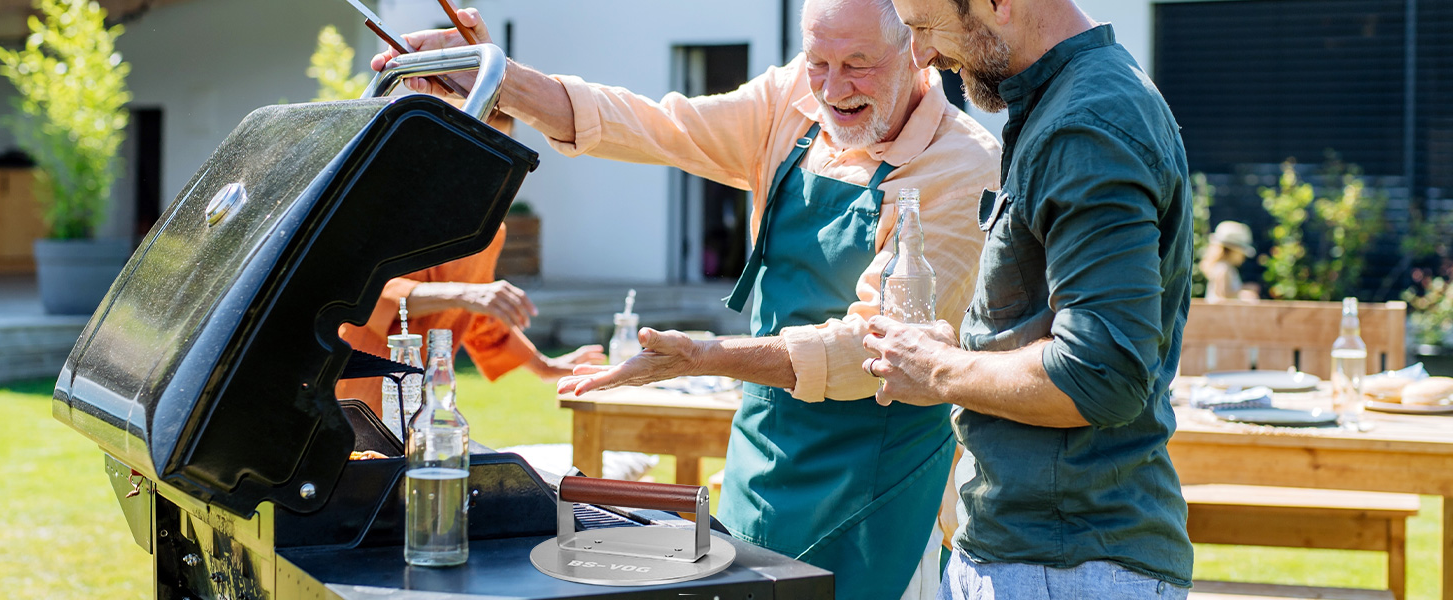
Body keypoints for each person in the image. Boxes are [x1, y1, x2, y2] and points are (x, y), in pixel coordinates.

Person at [373, 1, 1000, 597]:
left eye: (857, 65)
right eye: (818, 63)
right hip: (764, 447)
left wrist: (705, 356)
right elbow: (657, 125)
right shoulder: (792, 100)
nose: (832, 90)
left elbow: (872, 347)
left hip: (877, 477)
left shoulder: (963, 165)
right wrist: (502, 79)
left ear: (919, 46)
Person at [863, 0, 1195, 597]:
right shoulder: (1067, 101)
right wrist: (958, 354)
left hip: (1064, 566)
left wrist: (939, 369)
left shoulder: (1086, 124)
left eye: (923, 25)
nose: (921, 56)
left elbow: (1098, 375)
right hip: (1045, 558)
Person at [337, 114, 606, 411]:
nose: (490, 161)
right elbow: (367, 293)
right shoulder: (395, 204)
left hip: (427, 399)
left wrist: (544, 366)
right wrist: (466, 294)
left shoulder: (489, 230)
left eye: (501, 148)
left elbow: (478, 315)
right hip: (358, 389)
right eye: (480, 144)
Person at [1201, 220, 1260, 302]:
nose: (1243, 256)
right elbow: (1222, 296)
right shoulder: (1223, 269)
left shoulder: (1226, 268)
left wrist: (1244, 288)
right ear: (1232, 251)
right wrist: (1243, 293)